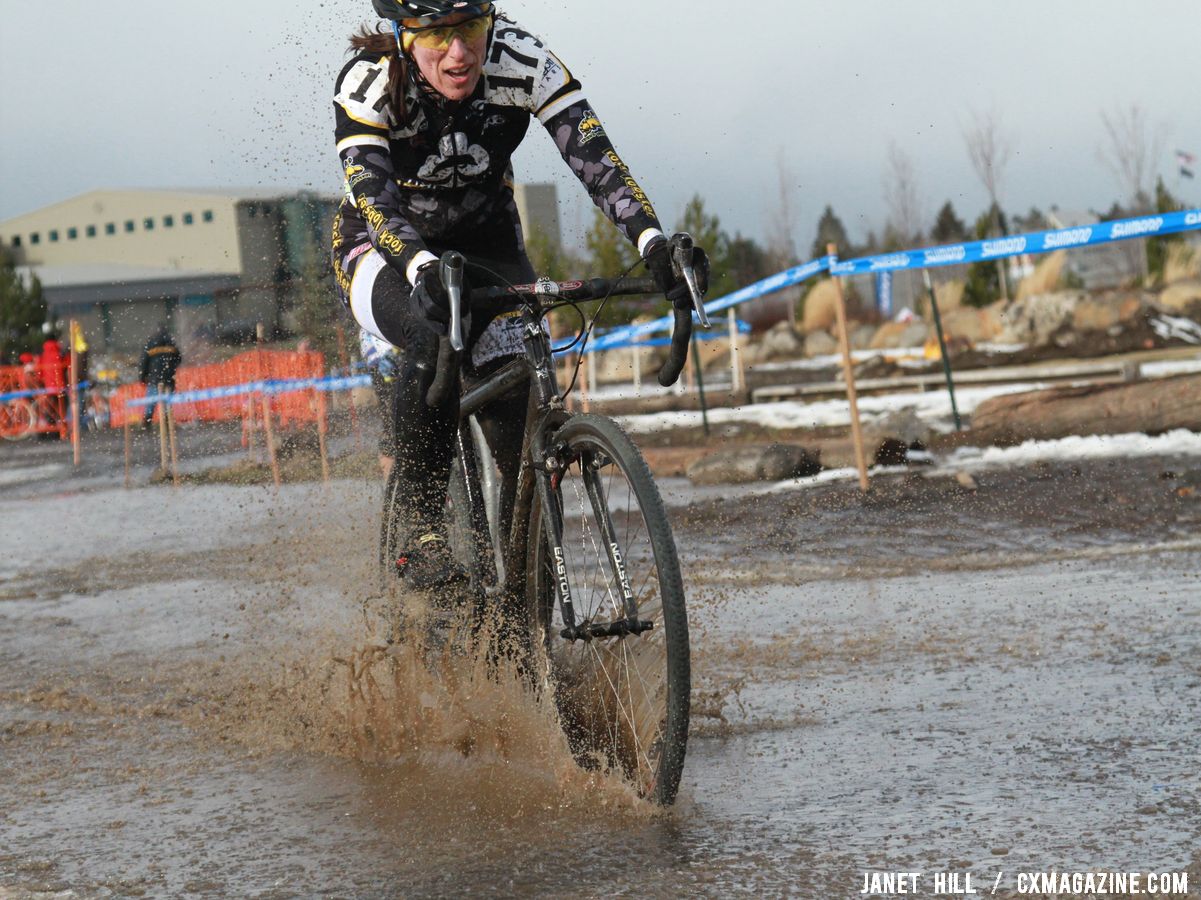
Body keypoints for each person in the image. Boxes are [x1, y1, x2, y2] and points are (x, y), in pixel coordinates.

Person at [331, 0, 709, 591]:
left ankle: (520, 604)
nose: (460, 54)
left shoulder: (523, 61)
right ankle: (421, 529)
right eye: (439, 35)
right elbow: (375, 202)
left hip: (489, 245)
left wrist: (653, 243)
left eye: (472, 30)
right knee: (429, 332)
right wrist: (422, 266)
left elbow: (598, 164)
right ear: (406, 34)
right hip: (383, 247)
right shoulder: (369, 83)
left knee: (518, 436)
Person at [139, 324, 182, 428]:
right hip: (168, 378)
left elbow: (143, 361)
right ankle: (167, 422)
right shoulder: (171, 344)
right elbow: (179, 358)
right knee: (167, 402)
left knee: (151, 403)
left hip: (154, 378)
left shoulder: (151, 343)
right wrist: (171, 369)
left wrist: (142, 376)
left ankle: (146, 423)